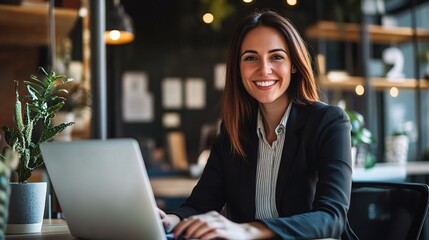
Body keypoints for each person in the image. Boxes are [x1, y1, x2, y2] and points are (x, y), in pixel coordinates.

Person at [159, 9, 357, 240]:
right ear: (239, 68)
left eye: (276, 57)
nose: (264, 69)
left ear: (294, 64)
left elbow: (331, 217)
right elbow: (200, 204)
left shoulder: (328, 122)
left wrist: (249, 230)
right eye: (251, 58)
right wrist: (168, 220)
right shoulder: (233, 131)